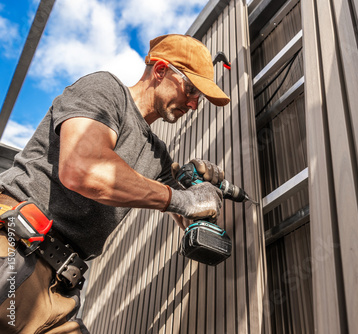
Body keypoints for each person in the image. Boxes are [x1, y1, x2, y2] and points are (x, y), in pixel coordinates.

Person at [0, 34, 230, 334]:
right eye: (191, 89)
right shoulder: (104, 90)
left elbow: (184, 209)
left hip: (60, 289)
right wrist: (182, 199)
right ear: (160, 70)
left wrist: (199, 192)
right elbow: (84, 170)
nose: (194, 103)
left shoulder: (156, 155)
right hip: (14, 249)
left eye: (199, 97)